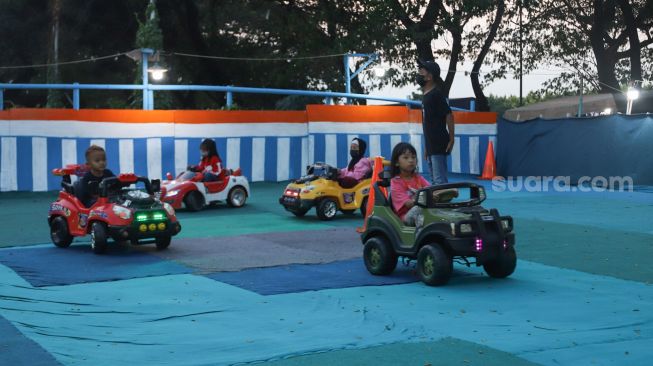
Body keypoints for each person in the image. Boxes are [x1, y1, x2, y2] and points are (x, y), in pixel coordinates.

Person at [417, 59, 455, 185]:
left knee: (439, 180)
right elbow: (427, 122)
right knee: (433, 178)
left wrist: (451, 138)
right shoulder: (427, 96)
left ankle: (443, 201)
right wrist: (427, 147)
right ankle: (438, 200)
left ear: (430, 76)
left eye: (422, 70)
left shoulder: (436, 95)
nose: (419, 72)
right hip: (431, 144)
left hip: (438, 143)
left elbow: (448, 114)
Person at [390, 142, 430, 226]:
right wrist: (427, 196)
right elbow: (409, 204)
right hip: (405, 216)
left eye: (413, 157)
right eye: (406, 157)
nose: (411, 160)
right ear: (397, 162)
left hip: (421, 211)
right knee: (418, 209)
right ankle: (421, 236)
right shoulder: (396, 182)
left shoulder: (418, 178)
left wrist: (446, 191)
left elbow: (431, 189)